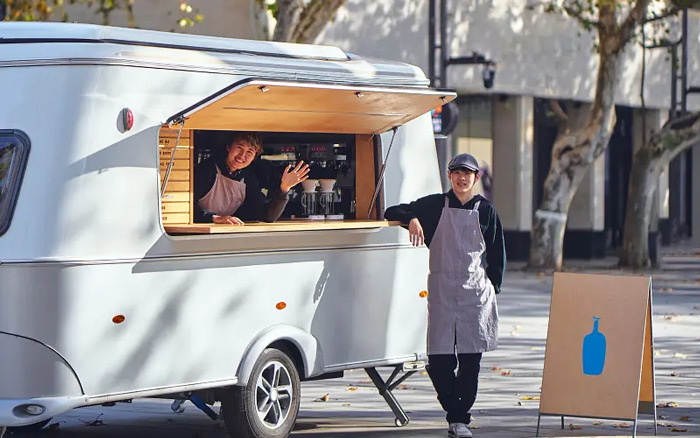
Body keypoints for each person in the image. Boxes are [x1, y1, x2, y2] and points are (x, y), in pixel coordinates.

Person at [384, 153, 505, 438]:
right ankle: (455, 411)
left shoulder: (486, 211)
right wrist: (412, 218)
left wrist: (492, 288)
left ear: (476, 178)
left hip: (474, 296)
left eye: (468, 174)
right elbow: (392, 210)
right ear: (449, 176)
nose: (462, 178)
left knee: (470, 363)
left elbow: (498, 254)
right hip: (441, 294)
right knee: (439, 362)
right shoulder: (436, 205)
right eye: (457, 173)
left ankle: (459, 420)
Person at [194, 132, 309, 224]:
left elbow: (267, 216)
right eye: (239, 147)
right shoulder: (206, 171)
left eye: (250, 152)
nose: (242, 155)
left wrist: (284, 188)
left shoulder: (247, 178)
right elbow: (185, 210)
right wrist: (213, 218)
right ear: (229, 147)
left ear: (254, 157)